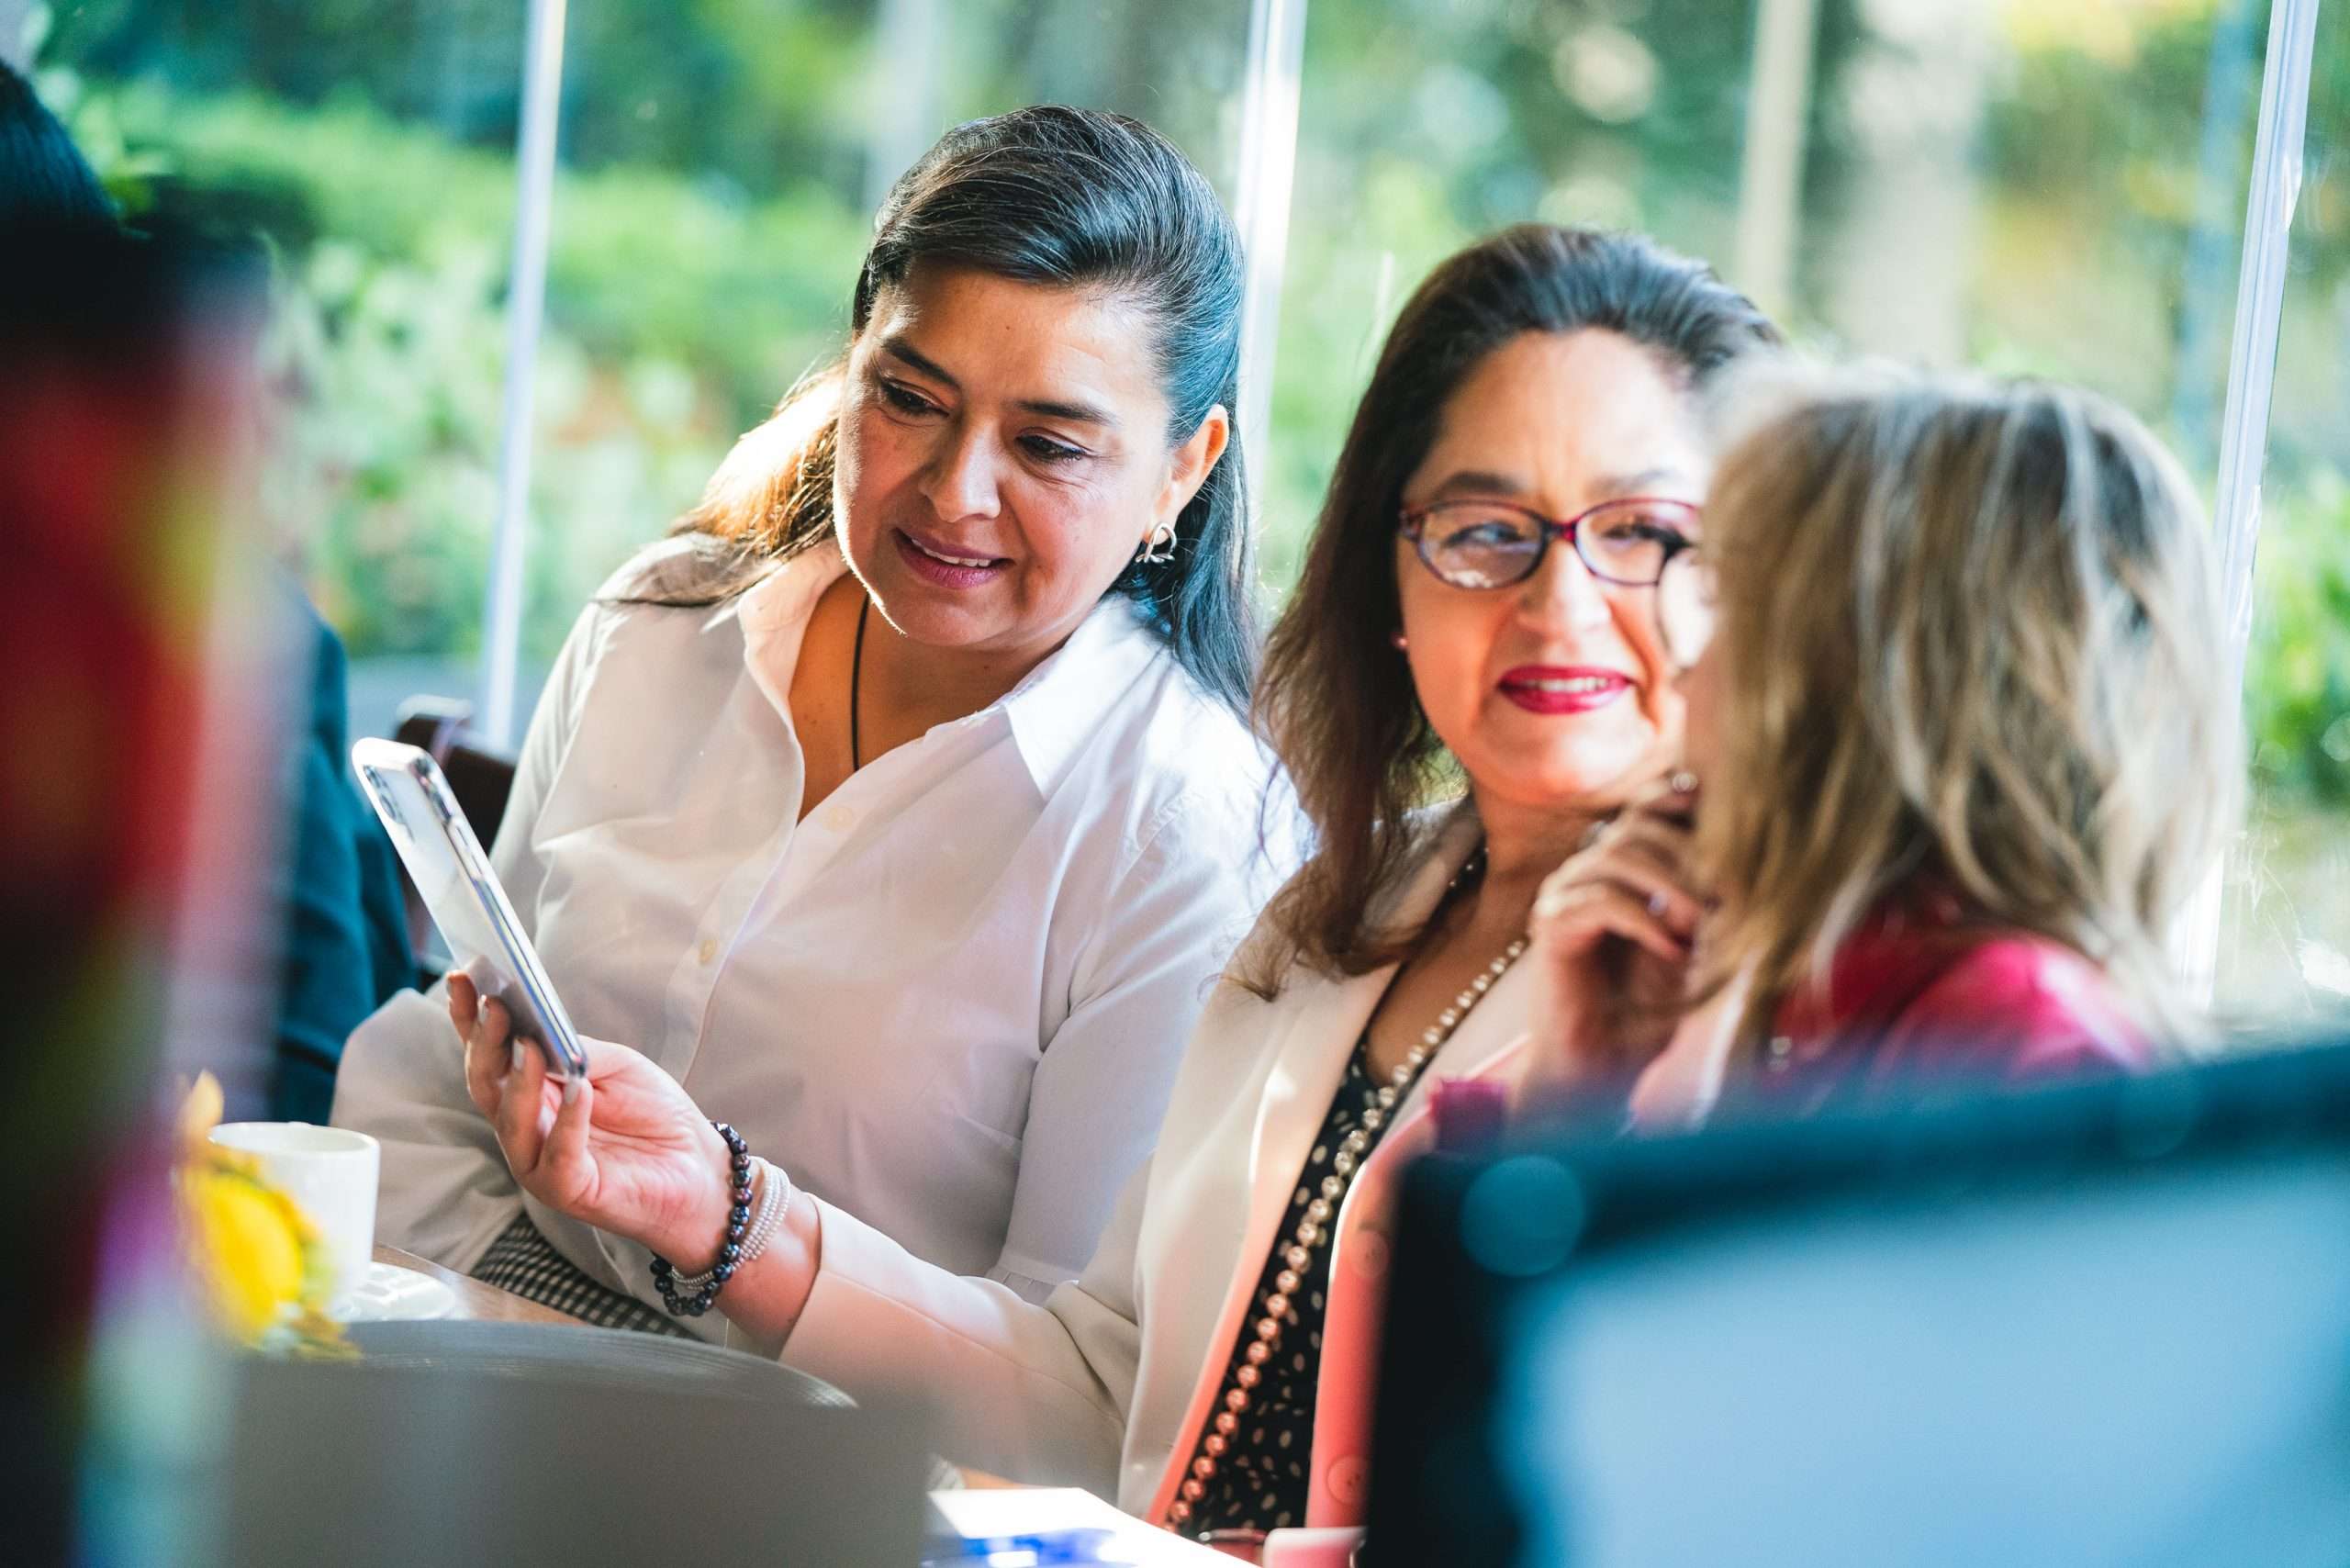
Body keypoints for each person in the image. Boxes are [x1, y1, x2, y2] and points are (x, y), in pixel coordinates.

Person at [447, 223, 1781, 1550]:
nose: (1558, 603)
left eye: (1645, 532)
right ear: (1393, 564)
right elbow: (1103, 1395)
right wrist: (728, 1215)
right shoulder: (1329, 926)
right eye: (1485, 531)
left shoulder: (1796, 1006)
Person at [332, 106, 1291, 1328]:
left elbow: (1075, 1379)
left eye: (1049, 445)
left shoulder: (1186, 839)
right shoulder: (661, 625)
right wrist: (541, 1328)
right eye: (911, 398)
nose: (956, 491)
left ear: (1183, 468)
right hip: (494, 1341)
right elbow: (452, 1069)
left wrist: (709, 1272)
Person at [1528, 371, 2240, 1126]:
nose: (1683, 675)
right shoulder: (1815, 1017)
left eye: (1723, 612)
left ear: (1845, 687)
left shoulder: (2011, 1048)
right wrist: (1580, 1095)